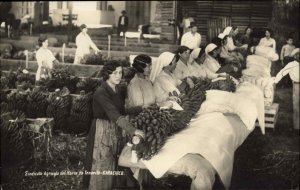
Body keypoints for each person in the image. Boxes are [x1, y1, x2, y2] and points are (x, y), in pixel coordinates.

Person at [83, 61, 145, 189]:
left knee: (112, 162)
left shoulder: (116, 89)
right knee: (102, 164)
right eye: (115, 73)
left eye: (120, 72)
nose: (118, 76)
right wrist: (133, 130)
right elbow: (114, 114)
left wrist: (141, 108)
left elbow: (120, 111)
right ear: (107, 74)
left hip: (113, 128)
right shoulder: (101, 92)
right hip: (101, 131)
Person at [273, 48, 299, 130]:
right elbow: (282, 72)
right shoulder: (292, 64)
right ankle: (297, 127)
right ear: (295, 56)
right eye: (297, 54)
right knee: (297, 107)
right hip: (297, 86)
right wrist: (274, 81)